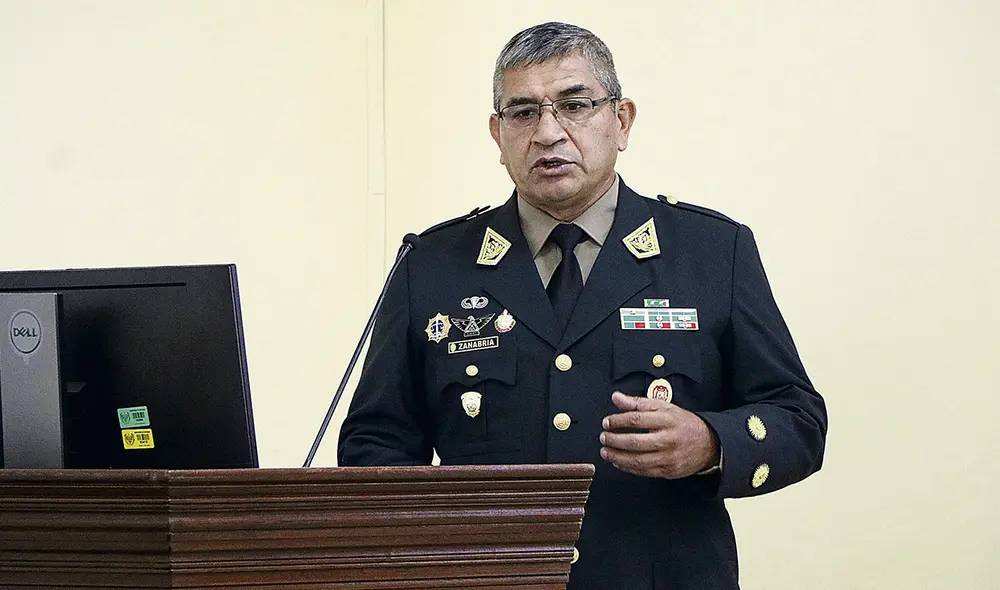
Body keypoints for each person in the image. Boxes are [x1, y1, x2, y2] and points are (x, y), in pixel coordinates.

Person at [339, 21, 827, 589]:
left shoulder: (713, 252)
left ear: (621, 122)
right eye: (523, 112)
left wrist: (711, 442)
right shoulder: (431, 265)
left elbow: (798, 418)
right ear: (497, 134)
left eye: (575, 105)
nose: (548, 132)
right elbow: (374, 445)